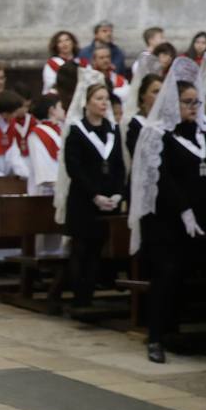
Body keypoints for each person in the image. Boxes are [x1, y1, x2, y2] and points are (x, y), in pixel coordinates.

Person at [130, 60, 206, 363]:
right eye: (187, 102)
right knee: (166, 275)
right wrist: (184, 209)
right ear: (172, 104)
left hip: (201, 219)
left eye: (196, 102)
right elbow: (162, 179)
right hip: (166, 221)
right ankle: (155, 337)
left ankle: (178, 333)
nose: (193, 107)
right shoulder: (158, 135)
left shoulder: (205, 134)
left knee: (189, 277)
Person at [60, 81, 126, 310]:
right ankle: (80, 298)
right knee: (81, 249)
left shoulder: (112, 130)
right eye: (98, 99)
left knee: (98, 250)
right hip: (84, 200)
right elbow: (74, 168)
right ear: (87, 103)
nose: (103, 103)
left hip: (108, 201)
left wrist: (118, 193)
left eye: (105, 99)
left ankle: (90, 295)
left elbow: (119, 165)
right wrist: (94, 195)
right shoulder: (77, 131)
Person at [26, 94, 64, 196]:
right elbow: (43, 169)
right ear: (52, 110)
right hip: (45, 194)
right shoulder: (37, 134)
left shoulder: (60, 130)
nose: (63, 110)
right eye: (60, 107)